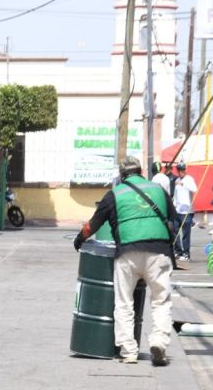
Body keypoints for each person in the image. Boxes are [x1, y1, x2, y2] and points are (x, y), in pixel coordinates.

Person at [74, 156, 175, 366]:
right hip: (159, 252)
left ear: (121, 175)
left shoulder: (114, 194)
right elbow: (172, 220)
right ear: (141, 172)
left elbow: (93, 224)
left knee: (124, 302)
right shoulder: (158, 190)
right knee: (161, 300)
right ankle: (159, 342)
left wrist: (79, 239)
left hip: (128, 253)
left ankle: (128, 351)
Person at [172, 162, 197, 260]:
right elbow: (175, 195)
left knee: (186, 233)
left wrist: (183, 184)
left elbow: (194, 189)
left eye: (182, 170)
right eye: (179, 170)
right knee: (175, 230)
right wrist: (174, 205)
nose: (180, 172)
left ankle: (186, 253)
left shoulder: (189, 179)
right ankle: (178, 251)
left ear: (185, 170)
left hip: (187, 211)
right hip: (178, 210)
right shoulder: (177, 180)